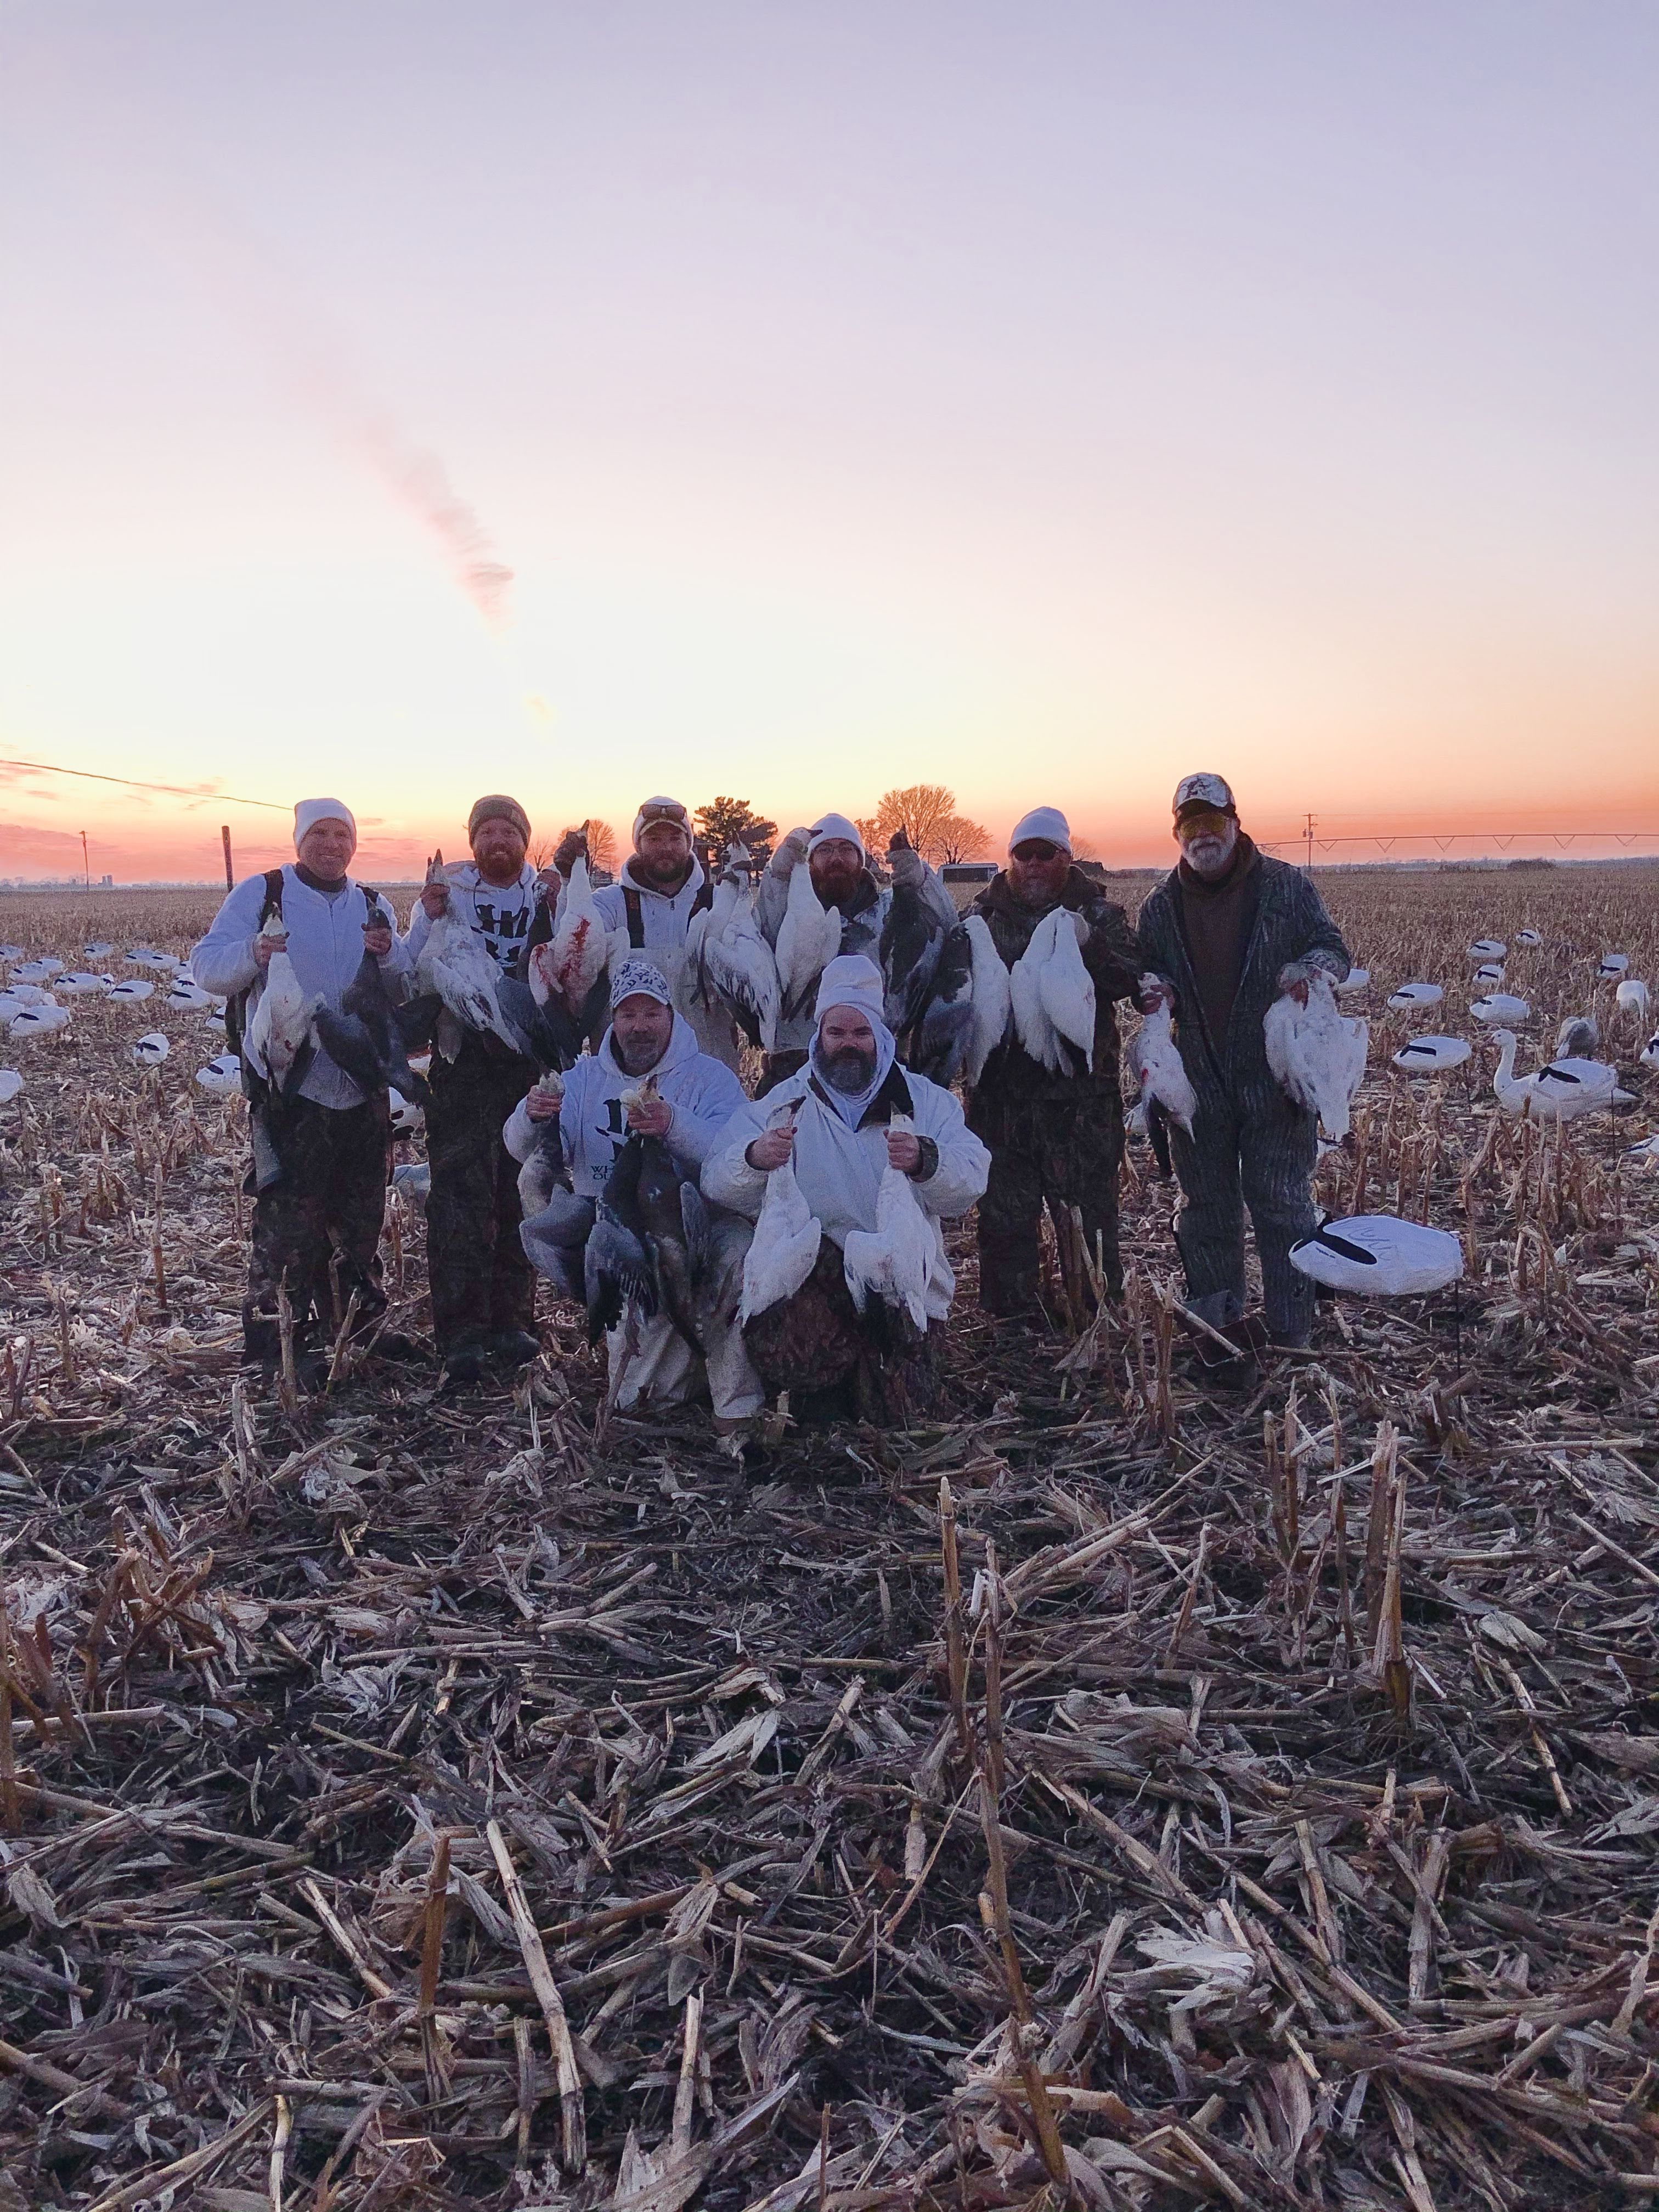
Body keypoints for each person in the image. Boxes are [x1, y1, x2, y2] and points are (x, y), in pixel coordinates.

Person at [704, 956, 989, 1424]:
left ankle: (870, 1379)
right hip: (817, 1278)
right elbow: (716, 1178)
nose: (848, 1045)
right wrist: (754, 1157)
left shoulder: (922, 1101)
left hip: (898, 1284)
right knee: (809, 1384)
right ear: (819, 1036)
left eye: (861, 1034)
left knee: (901, 1417)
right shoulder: (787, 1103)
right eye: (836, 1033)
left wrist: (926, 1161)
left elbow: (972, 1179)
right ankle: (816, 1387)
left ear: (880, 1036)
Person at [192, 797, 414, 1385]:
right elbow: (206, 968)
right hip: (292, 1091)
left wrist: (392, 953)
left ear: (354, 843)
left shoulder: (373, 904)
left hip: (360, 1086)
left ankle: (354, 1335)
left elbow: (405, 984)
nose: (331, 845)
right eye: (319, 833)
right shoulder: (264, 893)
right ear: (299, 840)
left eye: (342, 834)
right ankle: (276, 1348)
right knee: (290, 1222)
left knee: (360, 1216)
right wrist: (253, 953)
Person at [1136, 773, 1351, 1350]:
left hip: (1276, 1075)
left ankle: (1291, 1331)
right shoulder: (1159, 906)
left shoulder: (1285, 887)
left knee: (1282, 1202)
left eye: (1213, 823)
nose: (1204, 837)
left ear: (1235, 822)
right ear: (1177, 832)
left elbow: (1334, 948)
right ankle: (1220, 1332)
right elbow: (1148, 974)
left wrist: (1313, 971)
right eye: (1191, 826)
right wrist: (1155, 990)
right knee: (1205, 1209)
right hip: (1198, 1077)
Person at [506, 958, 761, 1433]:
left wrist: (674, 1125)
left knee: (735, 1260)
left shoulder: (710, 1078)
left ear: (671, 1016)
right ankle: (664, 1360)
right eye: (628, 1015)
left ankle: (737, 1407)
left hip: (697, 1223)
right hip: (616, 1227)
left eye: (651, 1015)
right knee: (640, 1402)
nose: (639, 1027)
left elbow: (737, 1159)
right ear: (614, 1021)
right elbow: (522, 1151)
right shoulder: (582, 1080)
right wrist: (532, 1115)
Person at [967, 807, 1140, 1319]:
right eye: (1026, 853)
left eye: (1048, 853)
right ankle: (1012, 1332)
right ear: (1011, 858)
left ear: (1067, 856)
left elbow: (1129, 979)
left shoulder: (1099, 916)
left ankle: (1098, 1326)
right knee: (1004, 1228)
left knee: (1092, 1224)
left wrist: (1091, 946)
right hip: (1001, 1108)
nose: (1036, 863)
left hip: (1082, 1106)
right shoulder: (978, 920)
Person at [403, 794, 543, 1384]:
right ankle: (460, 1332)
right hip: (460, 1065)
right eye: (485, 832)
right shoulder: (444, 897)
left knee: (519, 1191)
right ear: (472, 840)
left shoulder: (548, 896)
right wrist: (426, 915)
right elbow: (411, 973)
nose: (497, 841)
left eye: (507, 831)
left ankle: (512, 1322)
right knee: (459, 1197)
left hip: (527, 1065)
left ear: (524, 840)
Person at [753, 814, 957, 1090]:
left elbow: (947, 928)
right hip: (795, 1064)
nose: (836, 857)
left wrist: (922, 883)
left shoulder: (890, 912)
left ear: (861, 861)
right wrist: (777, 876)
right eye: (825, 850)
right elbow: (764, 922)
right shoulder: (788, 914)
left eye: (846, 849)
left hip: (877, 1060)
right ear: (809, 861)